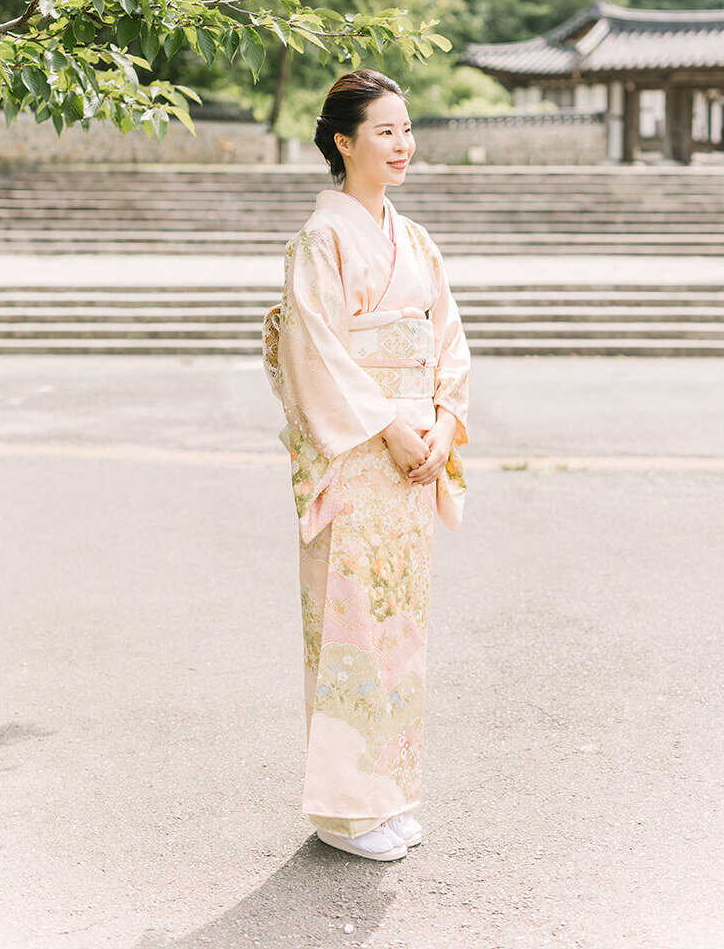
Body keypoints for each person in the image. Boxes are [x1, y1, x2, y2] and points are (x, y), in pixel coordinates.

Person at [262, 69, 470, 862]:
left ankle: (388, 794)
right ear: (343, 142)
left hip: (414, 458)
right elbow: (314, 351)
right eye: (385, 132)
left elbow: (446, 338)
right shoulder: (320, 241)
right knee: (350, 628)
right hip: (359, 459)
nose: (402, 144)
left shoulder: (414, 240)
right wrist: (388, 428)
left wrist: (445, 423)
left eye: (407, 130)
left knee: (397, 630)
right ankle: (344, 813)